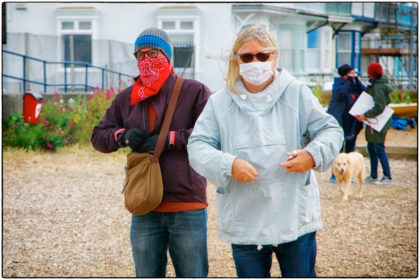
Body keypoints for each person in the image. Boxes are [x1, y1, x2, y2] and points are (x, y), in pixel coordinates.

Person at [187, 25, 343, 278]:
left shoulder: (297, 93)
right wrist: (228, 164)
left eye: (262, 56)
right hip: (245, 219)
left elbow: (331, 130)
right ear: (236, 60)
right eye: (247, 57)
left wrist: (312, 154)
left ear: (275, 56)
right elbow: (197, 146)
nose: (255, 62)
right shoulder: (220, 102)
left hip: (294, 216)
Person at [91, 27, 210, 277]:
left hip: (186, 201)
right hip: (144, 203)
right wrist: (120, 136)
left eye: (153, 53)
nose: (146, 60)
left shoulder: (194, 91)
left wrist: (171, 139)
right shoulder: (127, 98)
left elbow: (212, 134)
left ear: (167, 56)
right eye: (140, 55)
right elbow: (98, 136)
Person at [355, 62, 393, 185]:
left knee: (378, 148)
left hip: (378, 122)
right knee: (371, 147)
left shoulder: (378, 87)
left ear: (372, 73)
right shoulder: (376, 85)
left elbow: (379, 106)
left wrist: (365, 115)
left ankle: (387, 177)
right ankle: (373, 175)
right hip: (373, 122)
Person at [327, 64, 366, 182]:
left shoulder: (354, 84)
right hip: (340, 119)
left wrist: (357, 81)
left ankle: (349, 173)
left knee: (350, 147)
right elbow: (339, 95)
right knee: (338, 147)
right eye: (350, 73)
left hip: (352, 121)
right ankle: (335, 173)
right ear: (344, 75)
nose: (353, 75)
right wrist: (348, 81)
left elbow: (365, 92)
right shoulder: (338, 83)